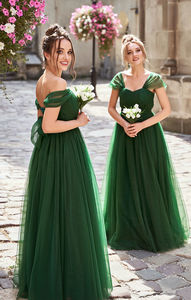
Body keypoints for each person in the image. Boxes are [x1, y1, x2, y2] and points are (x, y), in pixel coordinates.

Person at [14, 24, 112, 300]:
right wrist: (78, 120)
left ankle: (53, 271)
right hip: (64, 154)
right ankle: (70, 277)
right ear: (46, 53)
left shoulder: (42, 80)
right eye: (59, 51)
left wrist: (70, 110)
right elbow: (47, 126)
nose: (66, 56)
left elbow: (39, 114)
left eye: (69, 51)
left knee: (52, 213)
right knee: (70, 212)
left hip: (48, 155)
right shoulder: (58, 82)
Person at [102, 34, 189, 252]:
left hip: (149, 135)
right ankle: (128, 229)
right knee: (125, 179)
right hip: (125, 135)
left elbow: (166, 110)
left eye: (137, 51)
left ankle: (153, 228)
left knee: (149, 178)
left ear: (143, 52)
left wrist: (142, 125)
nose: (134, 55)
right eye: (129, 52)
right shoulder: (119, 79)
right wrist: (124, 124)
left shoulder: (154, 79)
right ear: (125, 56)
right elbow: (111, 108)